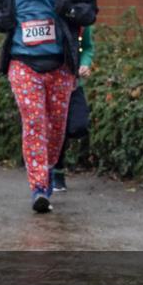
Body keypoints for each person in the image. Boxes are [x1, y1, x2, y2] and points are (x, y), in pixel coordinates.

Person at [0, 0, 98, 213]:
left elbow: (90, 10)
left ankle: (48, 174)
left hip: (60, 64)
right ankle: (38, 188)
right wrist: (2, 20)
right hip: (23, 62)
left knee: (56, 127)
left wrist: (69, 10)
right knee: (34, 121)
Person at [51, 25, 94, 192]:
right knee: (55, 128)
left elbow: (87, 47)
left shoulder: (82, 22)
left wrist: (85, 63)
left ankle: (54, 162)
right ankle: (56, 171)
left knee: (78, 126)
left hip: (74, 86)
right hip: (50, 84)